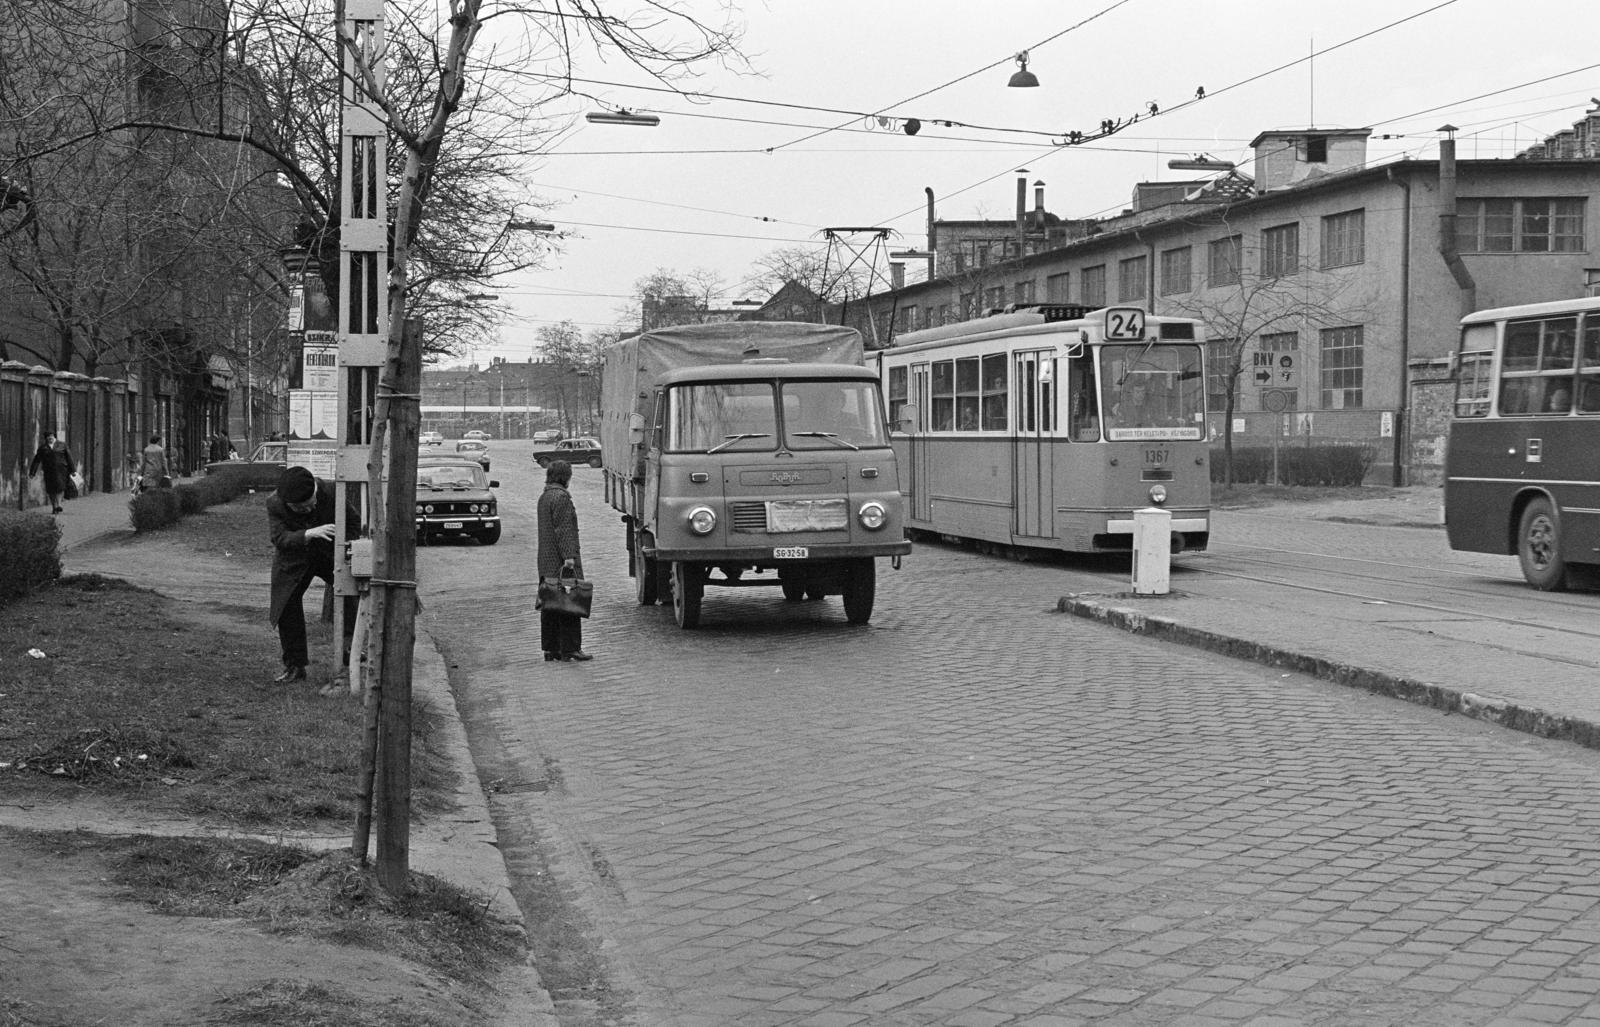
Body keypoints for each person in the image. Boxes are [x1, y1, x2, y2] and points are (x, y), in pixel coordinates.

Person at [267, 466, 358, 684]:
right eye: (300, 509)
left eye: (311, 505)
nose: (308, 510)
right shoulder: (274, 502)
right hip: (294, 559)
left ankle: (350, 650)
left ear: (316, 491)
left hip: (330, 555)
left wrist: (347, 548)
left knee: (350, 592)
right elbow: (279, 538)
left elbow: (354, 523)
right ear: (288, 504)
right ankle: (295, 666)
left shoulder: (334, 492)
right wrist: (308, 534)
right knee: (286, 605)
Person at [537, 459, 592, 662]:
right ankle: (570, 648)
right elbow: (564, 530)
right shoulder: (561, 497)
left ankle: (551, 649)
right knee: (570, 603)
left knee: (550, 603)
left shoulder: (545, 496)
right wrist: (569, 557)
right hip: (561, 560)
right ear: (564, 477)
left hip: (546, 560)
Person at [28, 433, 75, 514]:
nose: (50, 438)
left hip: (62, 470)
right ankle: (54, 506)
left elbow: (69, 457)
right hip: (48, 471)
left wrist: (73, 470)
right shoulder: (43, 448)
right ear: (46, 439)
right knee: (51, 489)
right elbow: (37, 460)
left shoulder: (62, 445)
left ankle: (59, 505)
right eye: (48, 437)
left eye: (51, 436)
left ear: (54, 437)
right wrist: (32, 472)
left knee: (60, 487)